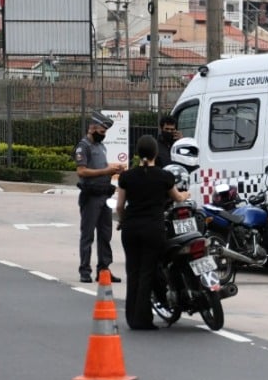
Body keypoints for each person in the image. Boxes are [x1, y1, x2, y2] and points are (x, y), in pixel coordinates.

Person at [115, 134, 189, 330]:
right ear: (156, 153)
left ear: (138, 153)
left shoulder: (126, 177)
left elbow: (120, 206)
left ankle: (132, 318)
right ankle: (143, 319)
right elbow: (178, 198)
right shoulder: (164, 176)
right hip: (153, 229)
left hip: (131, 229)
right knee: (147, 272)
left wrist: (122, 220)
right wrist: (186, 194)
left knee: (133, 272)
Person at [76, 111, 125, 284]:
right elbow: (81, 171)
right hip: (91, 196)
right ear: (92, 127)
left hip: (104, 195)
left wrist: (114, 170)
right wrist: (106, 171)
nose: (103, 135)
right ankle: (85, 271)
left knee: (105, 235)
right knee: (88, 235)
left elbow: (101, 167)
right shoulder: (83, 146)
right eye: (102, 131)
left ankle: (104, 270)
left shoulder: (100, 146)